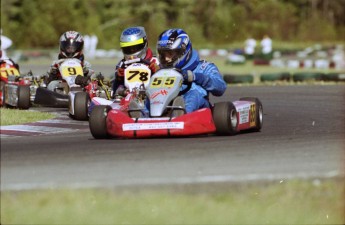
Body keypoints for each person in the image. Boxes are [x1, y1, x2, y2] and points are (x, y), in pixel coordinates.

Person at [155, 28, 227, 113]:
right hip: (163, 106)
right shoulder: (159, 70)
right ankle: (140, 115)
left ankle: (181, 113)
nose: (166, 59)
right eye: (163, 54)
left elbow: (221, 88)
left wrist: (195, 76)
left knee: (193, 94)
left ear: (183, 51)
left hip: (199, 110)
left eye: (170, 54)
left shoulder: (203, 67)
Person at [112, 26, 159, 97]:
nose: (132, 51)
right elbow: (115, 89)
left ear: (145, 43)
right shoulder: (122, 64)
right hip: (128, 98)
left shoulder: (156, 61)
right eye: (128, 48)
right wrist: (119, 78)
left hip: (152, 97)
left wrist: (158, 72)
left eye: (135, 48)